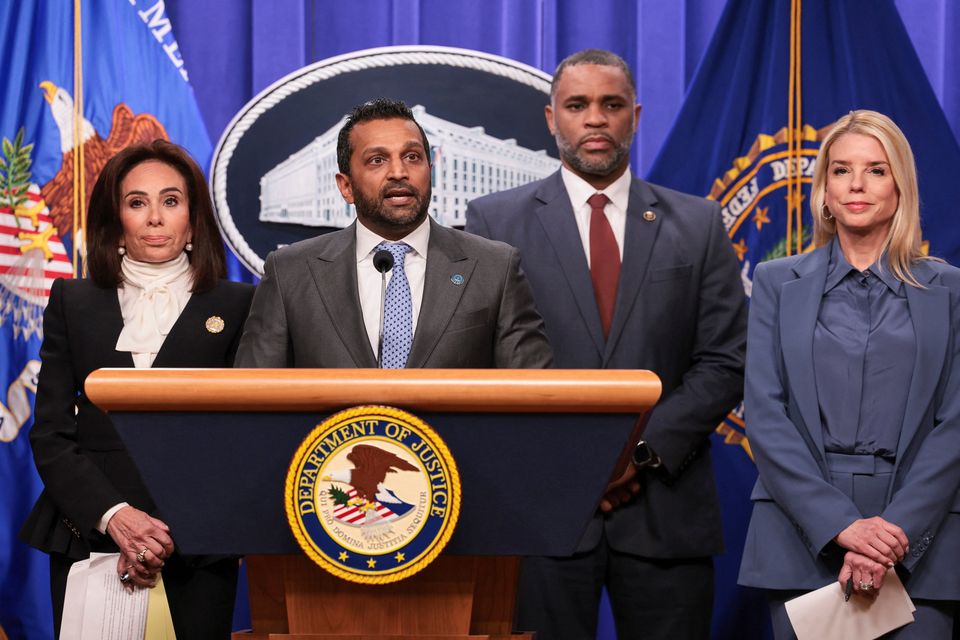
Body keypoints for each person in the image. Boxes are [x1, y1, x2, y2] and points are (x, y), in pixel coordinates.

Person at [466, 49, 747, 639]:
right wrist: (576, 463)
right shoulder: (493, 223)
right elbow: (484, 362)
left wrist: (638, 452)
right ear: (551, 118)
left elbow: (726, 360)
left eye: (611, 104)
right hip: (540, 514)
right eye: (578, 105)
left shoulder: (697, 223)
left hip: (665, 512)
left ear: (635, 116)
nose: (595, 118)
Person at [20, 140, 254, 639]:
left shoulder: (240, 304)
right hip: (91, 533)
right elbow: (52, 434)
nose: (154, 218)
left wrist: (166, 531)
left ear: (193, 218)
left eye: (170, 201)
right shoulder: (72, 300)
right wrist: (116, 517)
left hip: (198, 541)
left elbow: (245, 438)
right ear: (116, 218)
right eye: (137, 202)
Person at [738, 110, 960, 638]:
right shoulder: (774, 281)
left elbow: (955, 424)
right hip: (802, 535)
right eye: (841, 170)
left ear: (900, 185)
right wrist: (840, 526)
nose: (857, 184)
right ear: (823, 188)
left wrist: (891, 535)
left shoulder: (950, 289)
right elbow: (766, 416)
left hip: (918, 543)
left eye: (876, 170)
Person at [235, 98, 552, 370]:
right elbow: (253, 396)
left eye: (412, 157)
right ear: (346, 186)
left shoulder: (494, 267)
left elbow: (534, 394)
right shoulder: (291, 272)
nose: (399, 172)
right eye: (377, 160)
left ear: (430, 168)